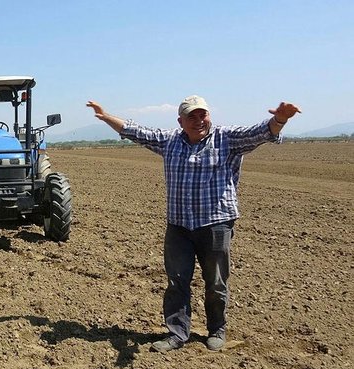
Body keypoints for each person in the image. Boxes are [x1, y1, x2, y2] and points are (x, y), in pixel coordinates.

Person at [86, 95, 301, 353]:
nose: (199, 120)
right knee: (177, 282)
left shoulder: (227, 138)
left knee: (216, 282)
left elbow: (261, 132)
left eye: (203, 115)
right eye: (192, 116)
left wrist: (280, 119)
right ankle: (177, 333)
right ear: (181, 121)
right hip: (179, 227)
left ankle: (216, 330)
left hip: (216, 225)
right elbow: (135, 130)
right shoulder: (169, 141)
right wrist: (105, 116)